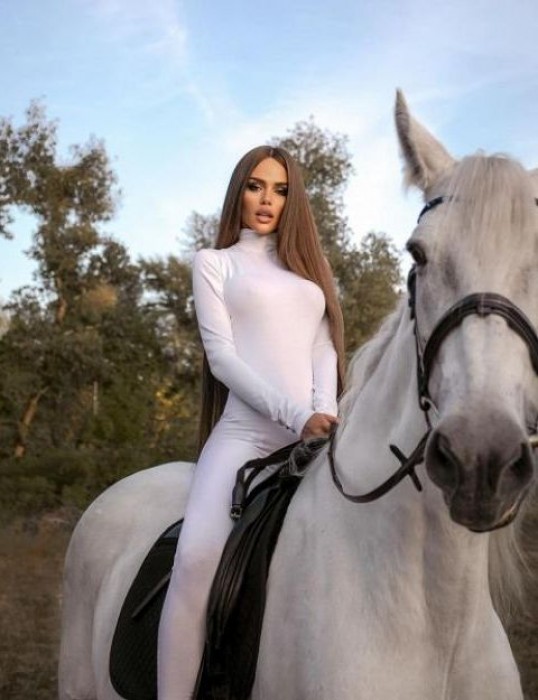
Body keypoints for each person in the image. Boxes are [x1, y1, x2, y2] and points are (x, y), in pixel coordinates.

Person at [157, 145, 345, 699]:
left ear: (293, 201)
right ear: (239, 192)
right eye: (256, 186)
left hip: (314, 439)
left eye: (280, 190)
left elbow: (323, 348)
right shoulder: (214, 263)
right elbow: (223, 359)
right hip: (244, 437)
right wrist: (297, 415)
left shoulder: (311, 274)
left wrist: (327, 412)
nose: (267, 199)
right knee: (195, 559)